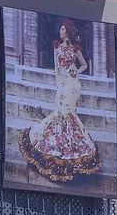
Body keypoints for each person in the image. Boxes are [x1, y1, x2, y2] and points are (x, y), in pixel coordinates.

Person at [18, 19, 102, 182]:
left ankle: (71, 151)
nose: (60, 31)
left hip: (74, 85)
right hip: (63, 86)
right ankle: (57, 148)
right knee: (60, 114)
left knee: (70, 116)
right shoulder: (57, 46)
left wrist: (75, 72)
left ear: (68, 32)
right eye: (60, 28)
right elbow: (57, 69)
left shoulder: (75, 48)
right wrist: (59, 84)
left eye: (63, 29)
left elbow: (84, 65)